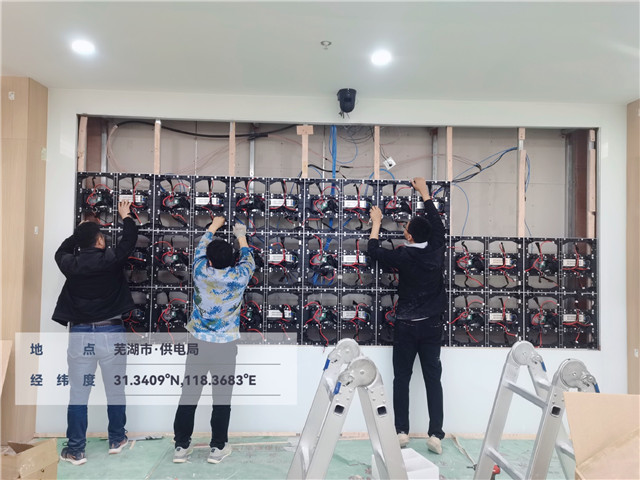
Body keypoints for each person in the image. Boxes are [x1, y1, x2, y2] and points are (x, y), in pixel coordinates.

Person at [53, 200, 137, 465]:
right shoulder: (110, 260)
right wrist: (126, 216)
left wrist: (81, 230)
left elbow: (60, 251)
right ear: (100, 241)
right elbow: (128, 241)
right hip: (111, 332)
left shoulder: (70, 263)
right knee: (115, 390)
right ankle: (117, 439)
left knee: (79, 394)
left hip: (80, 336)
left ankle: (76, 450)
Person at [367, 177, 446, 455]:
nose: (404, 230)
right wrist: (424, 192)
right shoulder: (437, 248)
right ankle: (435, 435)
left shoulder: (403, 256)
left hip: (406, 325)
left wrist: (376, 223)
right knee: (433, 379)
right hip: (432, 325)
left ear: (410, 237)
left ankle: (401, 431)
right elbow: (437, 224)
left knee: (401, 378)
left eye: (406, 228)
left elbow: (374, 251)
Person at [173, 217, 255, 464]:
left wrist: (213, 226)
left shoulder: (200, 272)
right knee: (222, 398)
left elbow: (200, 248)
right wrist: (241, 235)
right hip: (225, 347)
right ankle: (217, 448)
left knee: (189, 395)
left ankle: (181, 447)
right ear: (232, 260)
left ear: (209, 260)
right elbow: (249, 260)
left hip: (198, 343)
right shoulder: (239, 276)